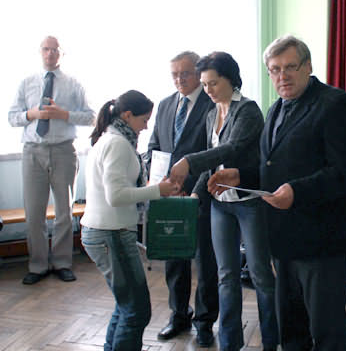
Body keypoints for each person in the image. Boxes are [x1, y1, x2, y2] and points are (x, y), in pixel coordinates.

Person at [207, 35, 346, 350]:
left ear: (308, 66)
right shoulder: (276, 108)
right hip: (283, 240)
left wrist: (296, 191)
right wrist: (241, 176)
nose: (283, 76)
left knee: (326, 333)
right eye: (275, 69)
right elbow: (274, 168)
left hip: (322, 243)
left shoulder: (335, 104)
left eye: (290, 67)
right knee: (291, 331)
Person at [169, 52, 278, 351]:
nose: (208, 90)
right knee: (226, 275)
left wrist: (188, 162)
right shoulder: (210, 114)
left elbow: (231, 149)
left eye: (214, 83)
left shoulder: (248, 111)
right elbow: (212, 166)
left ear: (231, 79)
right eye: (204, 84)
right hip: (220, 203)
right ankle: (230, 343)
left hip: (249, 202)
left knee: (260, 274)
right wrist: (197, 193)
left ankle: (272, 341)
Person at [81, 90, 178, 350]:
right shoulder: (118, 144)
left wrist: (154, 188)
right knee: (136, 311)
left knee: (126, 305)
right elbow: (116, 196)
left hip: (106, 231)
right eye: (144, 120)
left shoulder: (111, 139)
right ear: (127, 115)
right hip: (110, 232)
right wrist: (157, 190)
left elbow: (119, 189)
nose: (146, 127)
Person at [145, 51, 218, 347]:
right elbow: (154, 147)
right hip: (169, 194)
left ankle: (205, 322)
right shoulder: (165, 105)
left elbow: (213, 153)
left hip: (200, 194)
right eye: (174, 74)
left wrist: (192, 189)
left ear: (198, 73)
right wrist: (158, 181)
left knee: (206, 262)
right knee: (174, 259)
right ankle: (179, 315)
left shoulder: (212, 104)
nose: (179, 79)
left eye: (185, 73)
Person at [8, 35, 95, 285]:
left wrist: (63, 114)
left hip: (63, 151)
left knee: (64, 211)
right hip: (32, 152)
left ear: (62, 53)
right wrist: (32, 114)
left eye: (55, 50)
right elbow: (12, 117)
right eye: (46, 49)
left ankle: (62, 263)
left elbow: (91, 117)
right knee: (34, 212)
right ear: (40, 51)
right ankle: (37, 265)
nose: (50, 54)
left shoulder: (74, 84)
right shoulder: (27, 83)